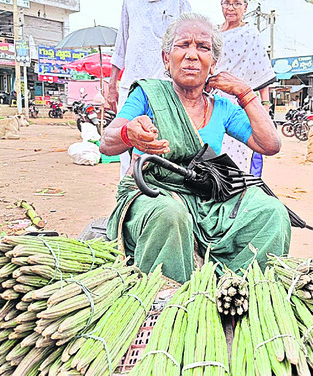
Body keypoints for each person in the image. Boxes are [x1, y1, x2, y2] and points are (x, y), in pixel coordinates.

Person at [100, 13, 291, 284]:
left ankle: (238, 289)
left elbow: (270, 144)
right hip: (155, 195)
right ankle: (166, 296)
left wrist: (245, 93)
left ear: (213, 62)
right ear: (167, 58)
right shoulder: (147, 95)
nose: (192, 55)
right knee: (171, 215)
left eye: (203, 47)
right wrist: (127, 133)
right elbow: (107, 144)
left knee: (271, 212)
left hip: (207, 199)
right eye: (183, 45)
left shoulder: (221, 107)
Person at [108, 0, 192, 179]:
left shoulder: (180, 2)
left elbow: (189, 40)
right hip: (131, 85)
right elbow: (121, 42)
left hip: (166, 88)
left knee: (164, 147)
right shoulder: (130, 2)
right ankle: (128, 197)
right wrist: (111, 84)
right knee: (126, 147)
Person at [215, 0, 276, 176]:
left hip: (235, 104)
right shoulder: (212, 33)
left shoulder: (250, 35)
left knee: (233, 153)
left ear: (245, 7)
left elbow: (262, 74)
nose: (231, 8)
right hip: (207, 101)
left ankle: (235, 196)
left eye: (237, 3)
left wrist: (264, 109)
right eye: (227, 3)